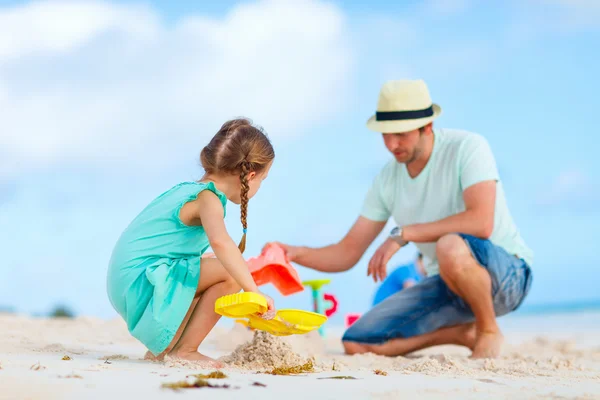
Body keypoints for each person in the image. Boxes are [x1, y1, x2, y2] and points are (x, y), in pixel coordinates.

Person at [265, 79, 533, 359]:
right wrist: (294, 253)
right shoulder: (387, 180)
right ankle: (461, 334)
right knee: (357, 342)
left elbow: (481, 222)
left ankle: (489, 331)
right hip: (446, 284)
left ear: (426, 127)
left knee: (449, 246)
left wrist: (404, 234)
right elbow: (347, 252)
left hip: (506, 276)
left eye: (401, 134)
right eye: (385, 134)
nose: (391, 144)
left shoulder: (467, 147)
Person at [107, 118, 276, 367]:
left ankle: (167, 348)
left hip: (126, 281)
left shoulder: (188, 190)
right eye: (263, 179)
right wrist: (253, 290)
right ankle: (186, 350)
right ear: (250, 175)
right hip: (139, 282)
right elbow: (222, 243)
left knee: (210, 267)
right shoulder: (208, 198)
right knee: (230, 274)